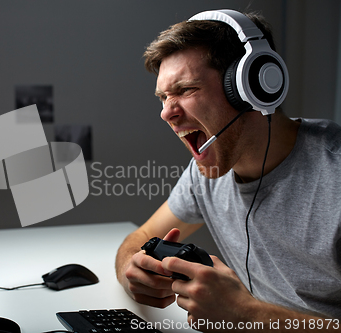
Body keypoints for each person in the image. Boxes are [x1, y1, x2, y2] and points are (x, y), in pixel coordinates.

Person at [115, 9, 341, 332]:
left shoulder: (334, 178)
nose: (166, 112)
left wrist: (246, 314)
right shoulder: (207, 170)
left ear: (252, 86)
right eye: (163, 97)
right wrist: (130, 270)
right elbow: (138, 238)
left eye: (185, 90)